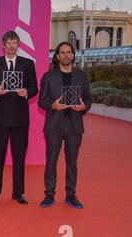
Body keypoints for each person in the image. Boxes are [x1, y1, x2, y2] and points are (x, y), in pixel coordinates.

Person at [0, 31, 38, 205]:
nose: (11, 46)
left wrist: (26, 93)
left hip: (20, 118)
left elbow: (34, 88)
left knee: (19, 157)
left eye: (14, 42)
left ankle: (18, 193)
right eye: (8, 43)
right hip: (0, 117)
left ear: (18, 44)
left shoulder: (28, 64)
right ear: (3, 45)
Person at [38, 41, 92, 209]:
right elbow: (41, 100)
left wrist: (84, 107)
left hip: (75, 125)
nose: (66, 55)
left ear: (73, 55)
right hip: (54, 125)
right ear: (57, 56)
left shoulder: (82, 75)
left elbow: (88, 98)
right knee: (51, 161)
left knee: (72, 162)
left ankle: (71, 195)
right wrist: (52, 106)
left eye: (69, 52)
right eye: (62, 52)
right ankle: (49, 195)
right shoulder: (48, 76)